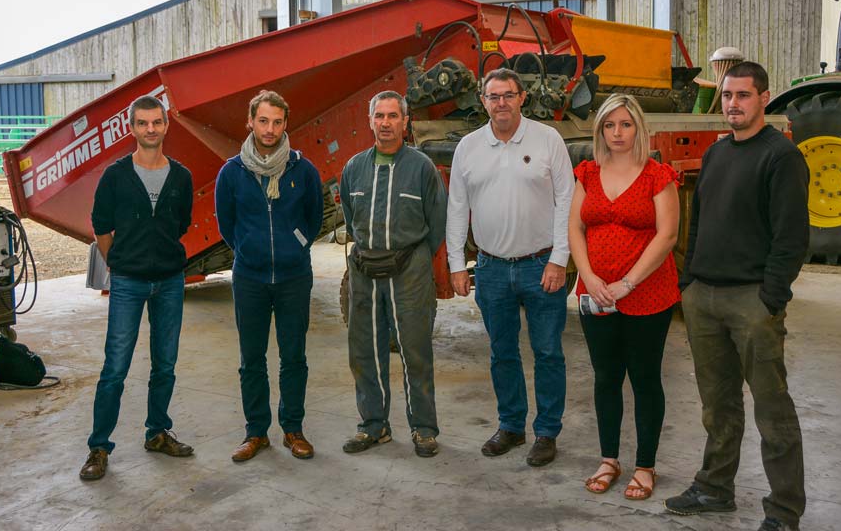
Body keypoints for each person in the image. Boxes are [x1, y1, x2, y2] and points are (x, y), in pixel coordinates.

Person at [664, 62, 809, 531]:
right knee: (717, 405)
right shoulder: (716, 154)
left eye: (743, 96)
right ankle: (714, 487)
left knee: (772, 409)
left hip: (752, 301)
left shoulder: (780, 157)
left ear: (764, 99)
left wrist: (771, 296)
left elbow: (792, 237)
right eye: (727, 95)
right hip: (703, 296)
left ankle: (784, 510)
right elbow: (699, 220)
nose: (733, 104)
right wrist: (688, 282)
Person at [446, 68, 574, 467]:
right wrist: (456, 265)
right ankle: (511, 426)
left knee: (548, 351)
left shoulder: (548, 139)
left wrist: (559, 259)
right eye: (493, 96)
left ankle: (547, 432)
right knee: (502, 353)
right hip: (491, 268)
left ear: (522, 98)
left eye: (508, 95)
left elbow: (567, 202)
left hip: (541, 266)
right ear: (482, 101)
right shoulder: (468, 147)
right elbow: (456, 208)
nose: (500, 103)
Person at [567, 94, 680, 498]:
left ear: (639, 128)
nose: (617, 133)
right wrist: (588, 276)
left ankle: (646, 466)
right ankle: (609, 459)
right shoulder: (588, 174)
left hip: (647, 294)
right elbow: (575, 228)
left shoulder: (657, 175)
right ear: (600, 130)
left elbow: (667, 235)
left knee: (645, 378)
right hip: (596, 294)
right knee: (605, 377)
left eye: (625, 124)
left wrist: (628, 282)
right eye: (609, 125)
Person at [80, 95, 195, 481]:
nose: (150, 129)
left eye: (156, 123)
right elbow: (100, 227)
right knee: (115, 366)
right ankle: (99, 446)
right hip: (128, 282)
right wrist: (119, 261)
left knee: (165, 363)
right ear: (132, 129)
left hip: (170, 280)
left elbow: (180, 224)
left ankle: (157, 432)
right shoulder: (115, 176)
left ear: (166, 126)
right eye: (143, 123)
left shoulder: (181, 176)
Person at [215, 90, 324, 463]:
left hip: (294, 277)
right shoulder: (232, 173)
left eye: (277, 122)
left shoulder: (302, 170)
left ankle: (293, 429)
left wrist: (297, 245)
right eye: (263, 120)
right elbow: (227, 225)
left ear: (285, 124)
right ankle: (256, 433)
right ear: (250, 122)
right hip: (250, 278)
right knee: (252, 358)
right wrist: (247, 248)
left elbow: (314, 218)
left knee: (294, 356)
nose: (270, 129)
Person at [339, 90, 447, 457]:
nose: (385, 123)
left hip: (410, 271)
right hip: (365, 269)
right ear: (370, 121)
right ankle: (374, 425)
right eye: (379, 116)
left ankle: (424, 428)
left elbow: (437, 224)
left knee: (415, 349)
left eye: (392, 116)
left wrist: (413, 259)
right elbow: (352, 222)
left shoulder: (421, 168)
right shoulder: (353, 168)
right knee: (365, 350)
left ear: (405, 121)